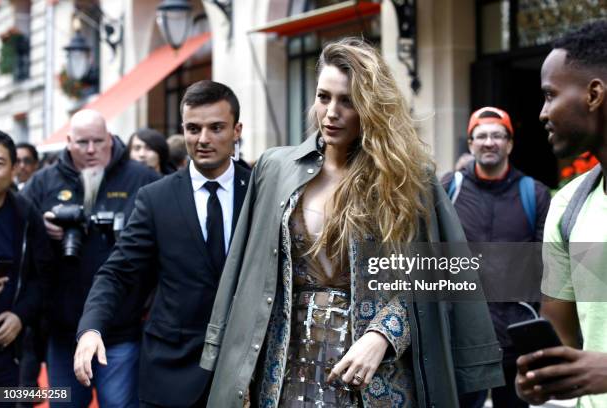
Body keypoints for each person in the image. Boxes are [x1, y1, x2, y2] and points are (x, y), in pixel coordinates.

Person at [200, 38, 503, 407]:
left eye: (347, 101)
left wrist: (384, 335)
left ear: (371, 107)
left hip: (375, 377)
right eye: (323, 96)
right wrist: (239, 372)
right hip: (284, 372)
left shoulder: (407, 179)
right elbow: (244, 275)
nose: (331, 112)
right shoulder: (275, 169)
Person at [74, 80, 251, 407]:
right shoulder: (156, 197)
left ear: (236, 130)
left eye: (216, 128)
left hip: (244, 373)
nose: (203, 139)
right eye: (193, 128)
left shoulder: (259, 191)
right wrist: (91, 329)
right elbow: (118, 271)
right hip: (170, 371)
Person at [22, 109, 159, 407]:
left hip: (122, 329)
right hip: (63, 332)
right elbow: (16, 240)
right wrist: (40, 229)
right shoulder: (43, 183)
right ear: (68, 142)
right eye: (83, 142)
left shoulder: (141, 180)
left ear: (110, 139)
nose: (91, 150)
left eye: (99, 141)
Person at [515, 20, 607, 407]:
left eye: (550, 95)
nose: (542, 113)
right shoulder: (568, 206)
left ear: (594, 93)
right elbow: (562, 336)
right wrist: (545, 377)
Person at [442, 107, 551, 407]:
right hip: (463, 338)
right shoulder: (448, 189)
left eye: (497, 135)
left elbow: (549, 266)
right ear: (471, 143)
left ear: (510, 143)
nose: (489, 142)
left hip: (516, 338)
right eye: (482, 136)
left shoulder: (535, 194)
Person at [0, 131, 51, 406]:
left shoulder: (26, 214)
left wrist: (20, 316)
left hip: (6, 347)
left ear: (14, 168)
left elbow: (42, 279)